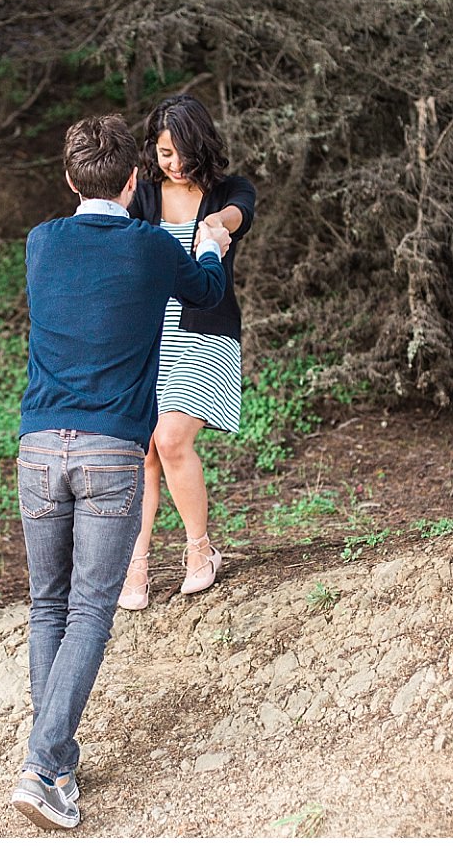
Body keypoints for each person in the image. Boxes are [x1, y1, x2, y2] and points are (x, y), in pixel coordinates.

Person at [10, 113, 231, 830]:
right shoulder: (148, 247)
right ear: (135, 179)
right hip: (109, 452)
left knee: (49, 604)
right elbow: (203, 293)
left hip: (40, 447)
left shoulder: (41, 242)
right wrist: (213, 244)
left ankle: (57, 763)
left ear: (70, 179)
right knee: (90, 611)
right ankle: (43, 765)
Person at [117, 94, 257, 611]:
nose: (169, 164)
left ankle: (200, 552)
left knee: (170, 438)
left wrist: (214, 226)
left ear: (200, 145)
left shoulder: (231, 189)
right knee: (142, 451)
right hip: (150, 335)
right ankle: (135, 565)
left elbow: (236, 215)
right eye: (161, 153)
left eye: (177, 153)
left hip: (204, 331)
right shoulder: (147, 195)